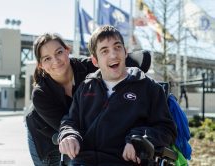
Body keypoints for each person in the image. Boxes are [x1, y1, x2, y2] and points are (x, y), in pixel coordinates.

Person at [25, 32, 151, 165]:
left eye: (59, 52)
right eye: (47, 59)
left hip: (81, 133)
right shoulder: (40, 94)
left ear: (68, 50)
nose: (55, 61)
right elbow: (68, 126)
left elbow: (133, 60)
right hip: (48, 135)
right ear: (40, 65)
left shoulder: (89, 67)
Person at [58, 25, 177, 165]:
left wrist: (138, 139)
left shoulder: (149, 88)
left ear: (125, 51)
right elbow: (70, 121)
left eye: (117, 47)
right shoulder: (86, 87)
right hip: (84, 160)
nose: (113, 55)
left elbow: (166, 130)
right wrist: (68, 135)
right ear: (95, 61)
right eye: (104, 51)